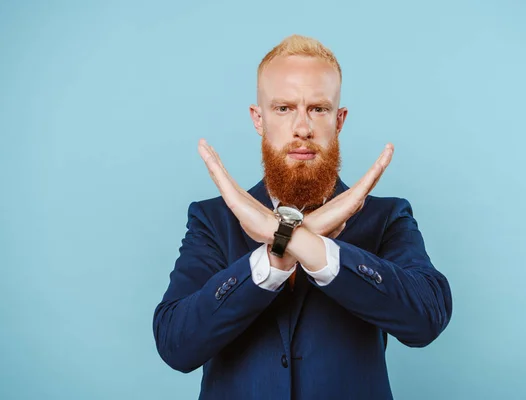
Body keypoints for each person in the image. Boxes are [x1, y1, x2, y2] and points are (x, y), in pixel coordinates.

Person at [152, 34, 453, 400]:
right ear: (258, 119)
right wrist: (271, 260)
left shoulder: (386, 217)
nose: (302, 128)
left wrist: (295, 240)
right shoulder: (212, 220)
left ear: (339, 120)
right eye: (283, 109)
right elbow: (176, 344)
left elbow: (427, 318)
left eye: (318, 109)